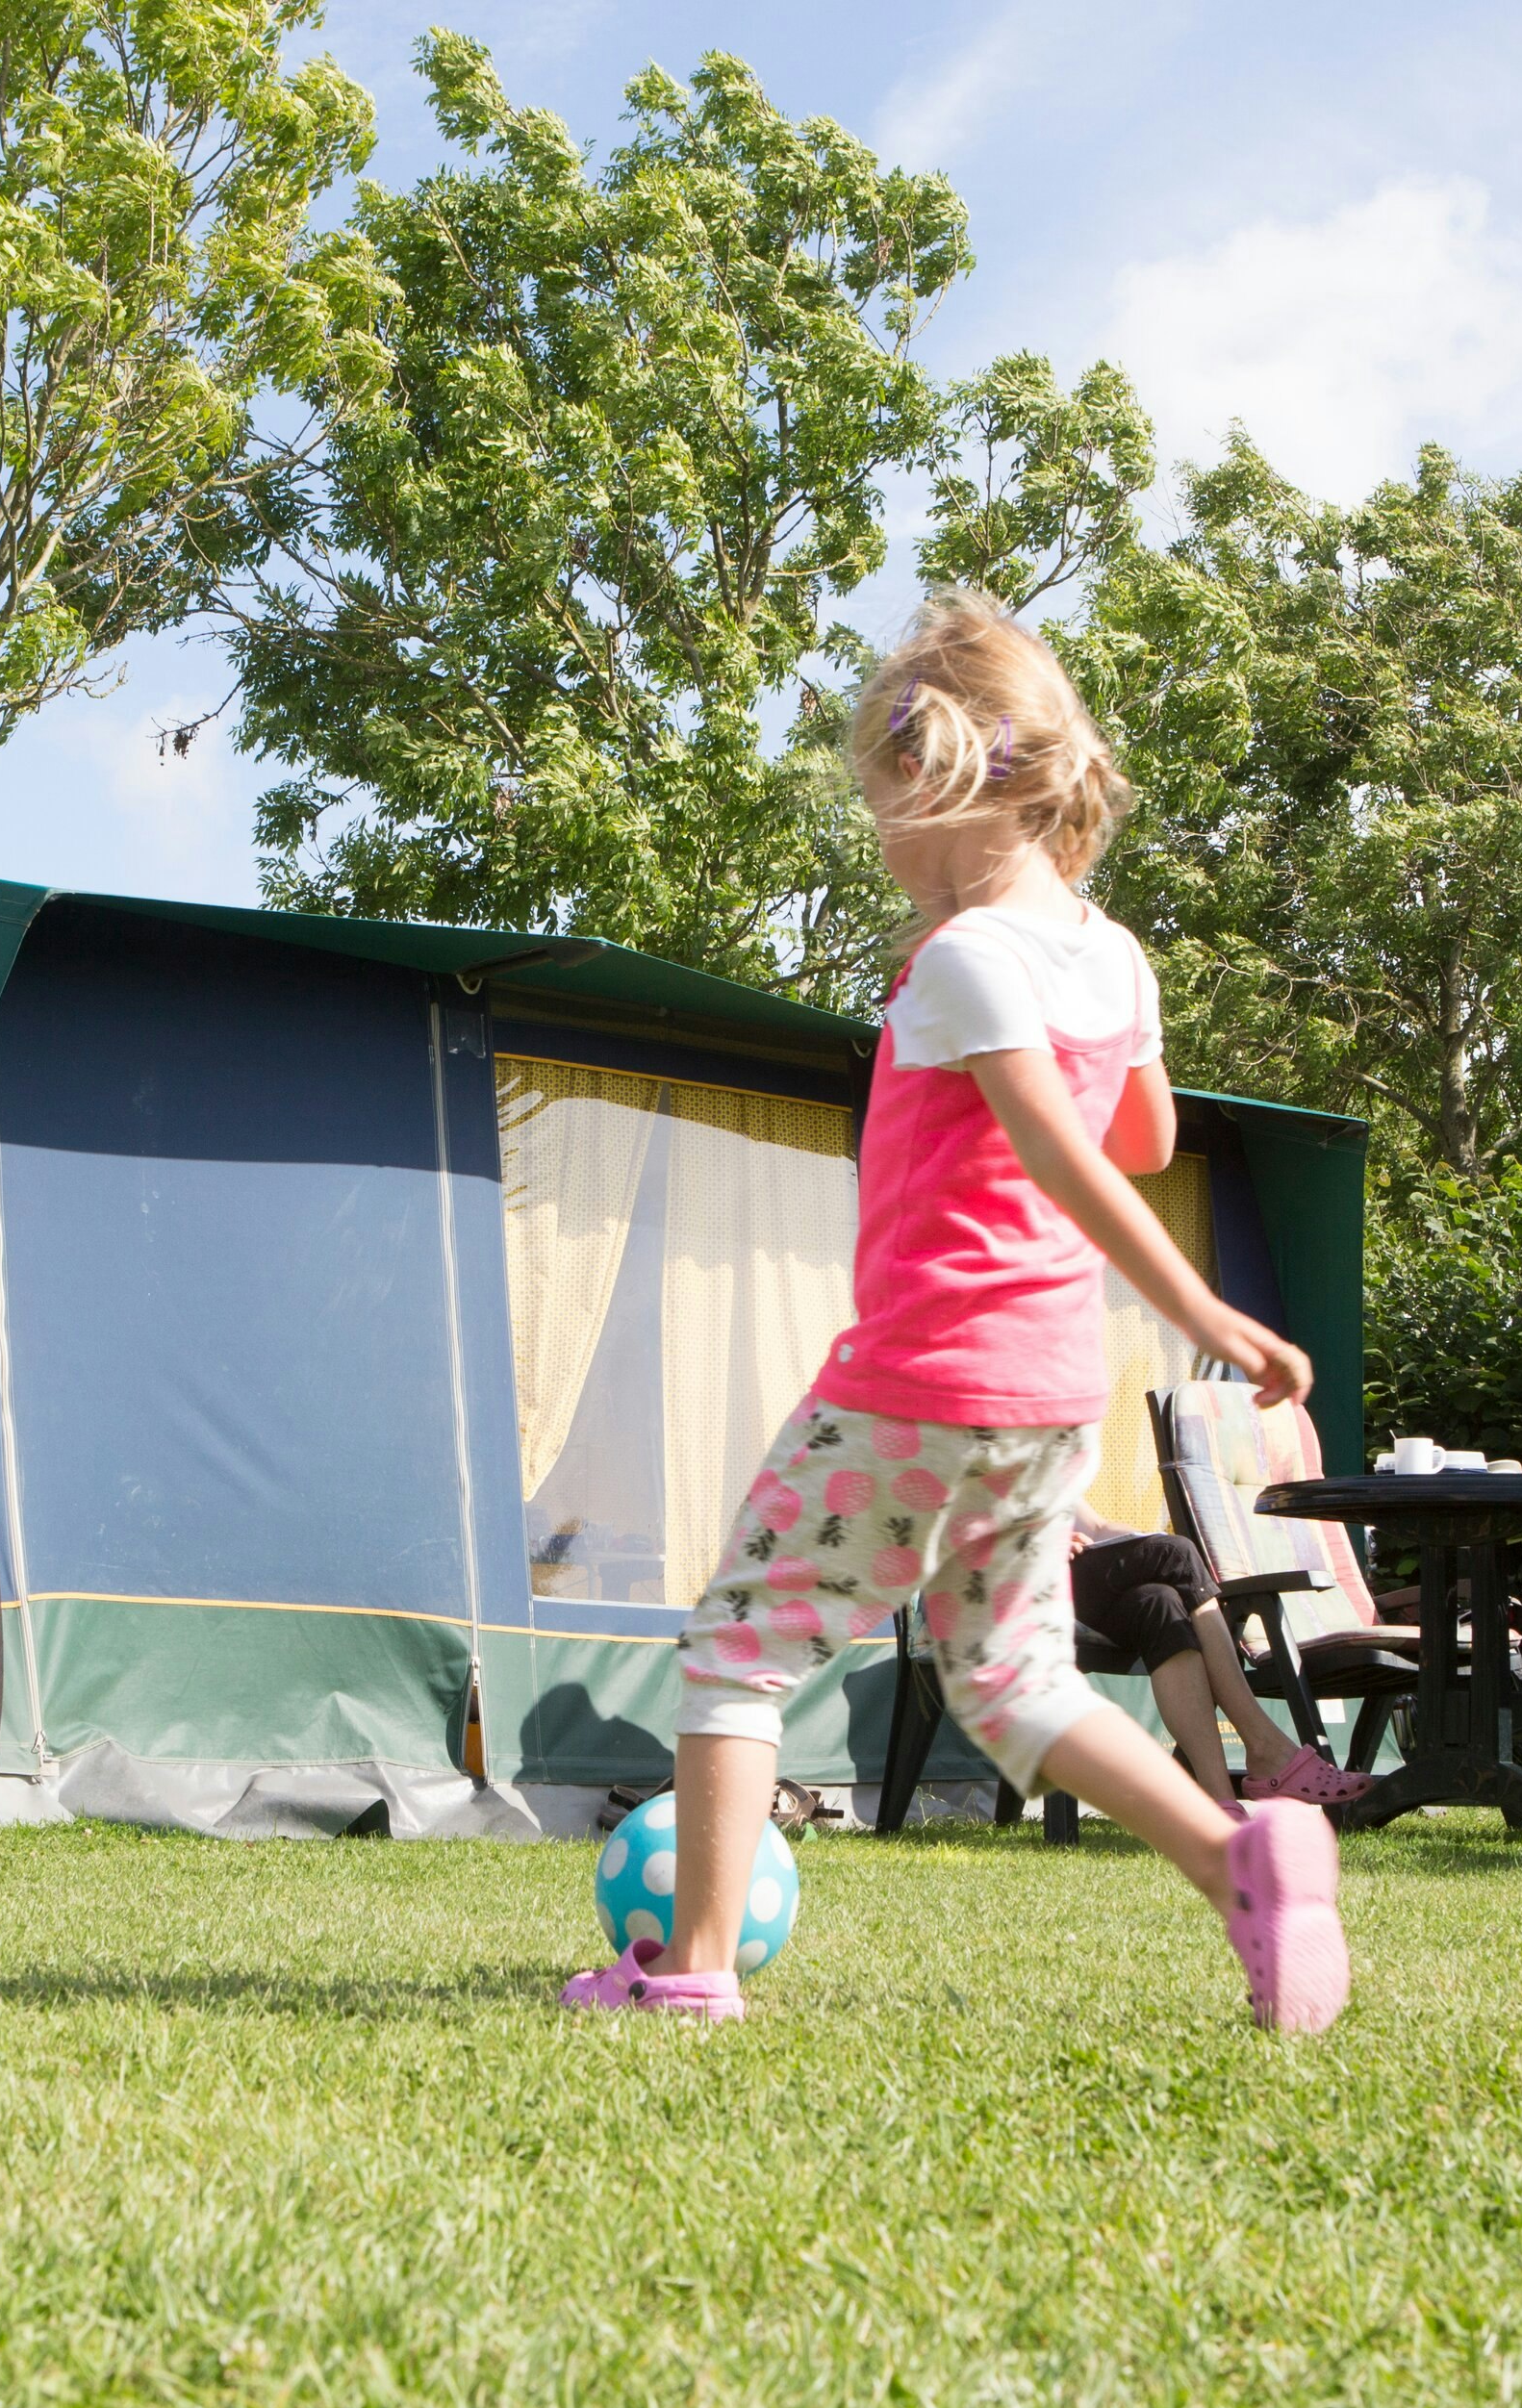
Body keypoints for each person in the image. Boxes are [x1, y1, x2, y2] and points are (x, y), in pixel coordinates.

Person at [561, 593, 1350, 2029]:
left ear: (951, 785)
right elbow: (1147, 1138)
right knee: (1013, 1679)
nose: (883, 847)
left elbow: (1061, 1144)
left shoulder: (964, 960)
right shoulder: (1110, 956)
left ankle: (693, 1970)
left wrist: (1200, 1305)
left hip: (924, 1365)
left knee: (742, 1642)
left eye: (887, 812)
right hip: (1049, 1383)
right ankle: (1234, 1853)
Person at [1063, 1509, 1378, 1820]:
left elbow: (1098, 1526)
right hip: (1026, 1581)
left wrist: (1143, 1545)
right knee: (1177, 1553)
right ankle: (1265, 1746)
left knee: (1159, 1602)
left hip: (1071, 1571)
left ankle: (1219, 1801)